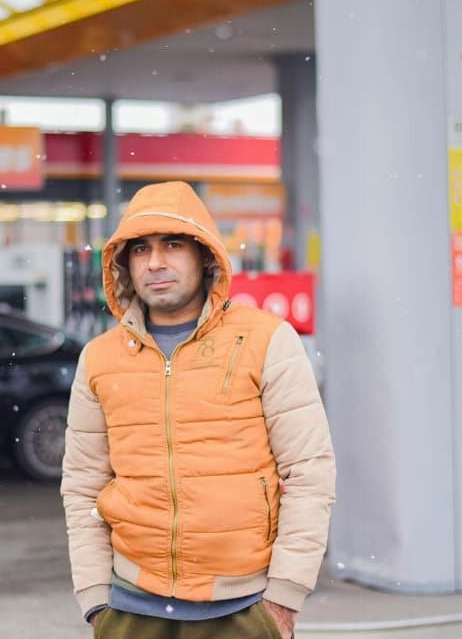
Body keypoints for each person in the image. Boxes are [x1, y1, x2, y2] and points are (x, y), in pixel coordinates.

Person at [61, 181, 335, 639]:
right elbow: (82, 486)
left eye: (173, 244)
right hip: (130, 608)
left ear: (204, 255)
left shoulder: (265, 340)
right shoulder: (100, 358)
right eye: (141, 249)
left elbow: (310, 471)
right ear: (124, 264)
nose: (155, 262)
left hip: (244, 607)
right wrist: (95, 600)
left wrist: (284, 597)